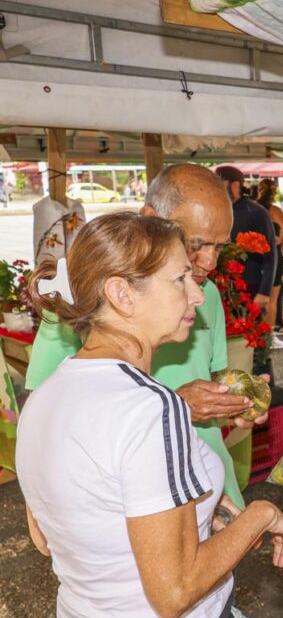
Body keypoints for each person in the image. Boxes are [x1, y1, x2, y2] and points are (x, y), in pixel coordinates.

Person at [17, 212, 283, 618]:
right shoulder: (152, 408)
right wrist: (262, 514)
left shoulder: (45, 398)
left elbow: (49, 536)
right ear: (122, 294)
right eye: (180, 279)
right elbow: (174, 594)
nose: (196, 294)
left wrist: (204, 510)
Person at [25, 164, 263, 508]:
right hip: (136, 501)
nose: (210, 262)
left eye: (219, 247)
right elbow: (47, 421)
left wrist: (230, 403)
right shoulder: (85, 300)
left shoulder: (205, 294)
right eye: (197, 244)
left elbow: (207, 382)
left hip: (214, 488)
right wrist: (175, 407)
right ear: (152, 219)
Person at [215, 166, 278, 314]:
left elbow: (270, 255)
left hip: (250, 287)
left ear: (235, 185)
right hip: (221, 286)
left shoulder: (257, 212)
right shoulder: (217, 210)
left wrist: (264, 291)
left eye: (220, 183)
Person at [255, 178, 283, 345]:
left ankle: (255, 333)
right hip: (273, 256)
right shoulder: (275, 210)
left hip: (254, 254)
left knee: (254, 295)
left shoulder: (253, 207)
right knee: (272, 299)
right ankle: (269, 336)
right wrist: (280, 241)